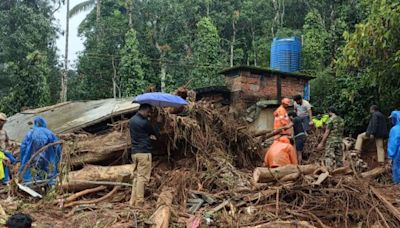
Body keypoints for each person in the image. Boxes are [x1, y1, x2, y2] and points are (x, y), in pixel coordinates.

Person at [128, 104, 161, 206]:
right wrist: (156, 122)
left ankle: (132, 201)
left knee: (137, 177)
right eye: (148, 112)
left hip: (134, 153)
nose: (149, 114)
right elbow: (156, 133)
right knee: (142, 178)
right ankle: (140, 202)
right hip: (143, 153)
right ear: (145, 110)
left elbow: (141, 134)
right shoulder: (145, 122)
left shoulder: (132, 120)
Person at [19, 116, 61, 186]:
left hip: (33, 158)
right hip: (48, 159)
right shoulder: (49, 133)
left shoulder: (30, 133)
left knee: (33, 174)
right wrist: (58, 158)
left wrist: (23, 160)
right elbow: (57, 147)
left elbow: (23, 147)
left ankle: (31, 186)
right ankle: (51, 187)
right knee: (49, 175)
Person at [388, 111, 400, 184]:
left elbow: (394, 143)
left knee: (397, 168)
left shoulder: (395, 129)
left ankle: (397, 184)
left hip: (398, 153)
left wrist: (390, 156)